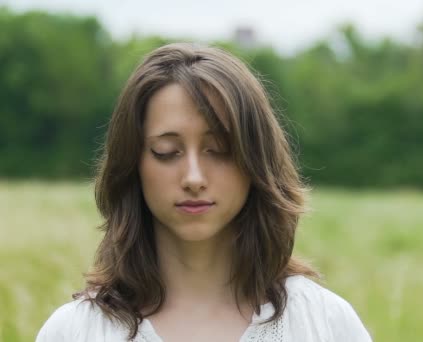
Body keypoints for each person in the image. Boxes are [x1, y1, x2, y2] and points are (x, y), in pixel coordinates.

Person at [36, 42, 372, 341]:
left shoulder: (325, 323)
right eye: (167, 151)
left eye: (219, 149)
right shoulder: (75, 331)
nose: (193, 178)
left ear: (255, 161)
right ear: (132, 165)